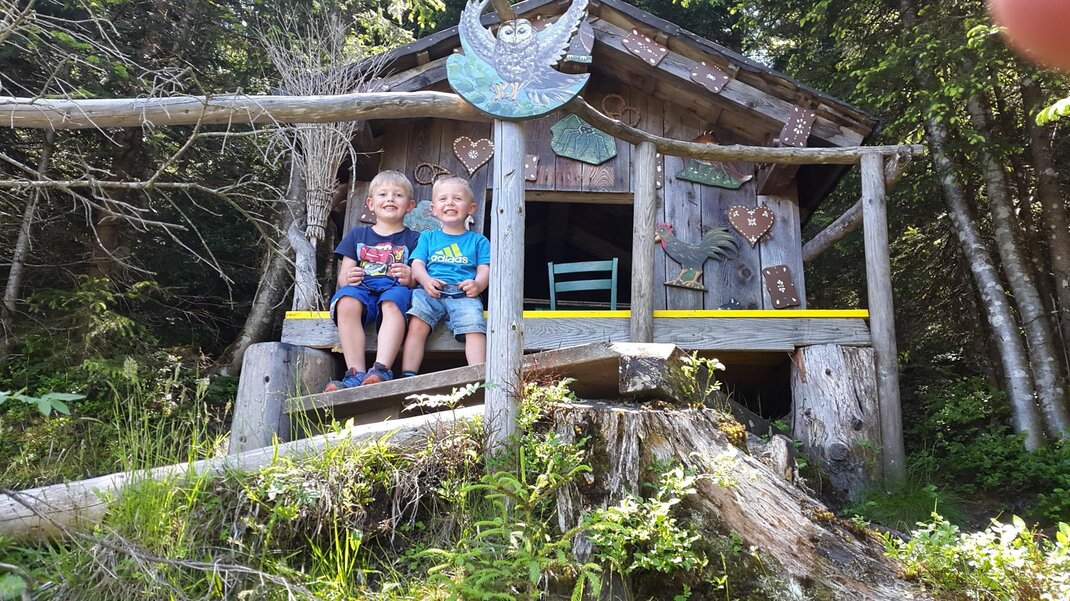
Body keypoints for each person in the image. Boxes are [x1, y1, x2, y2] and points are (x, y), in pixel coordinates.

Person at [324, 170, 420, 391]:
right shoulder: (357, 236)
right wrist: (349, 277)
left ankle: (381, 369)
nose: (390, 199)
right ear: (370, 203)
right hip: (363, 290)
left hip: (394, 290)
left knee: (393, 301)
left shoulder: (415, 239)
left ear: (410, 205)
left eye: (398, 195)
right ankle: (355, 373)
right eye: (383, 194)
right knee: (346, 300)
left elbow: (418, 275)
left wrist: (410, 278)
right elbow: (344, 277)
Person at [402, 176, 490, 375]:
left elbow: (485, 269)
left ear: (471, 208)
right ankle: (407, 374)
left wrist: (478, 285)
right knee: (417, 324)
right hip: (430, 291)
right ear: (434, 209)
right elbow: (417, 264)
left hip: (463, 294)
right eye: (443, 199)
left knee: (475, 327)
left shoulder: (479, 241)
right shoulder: (428, 237)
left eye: (457, 198)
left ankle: (481, 376)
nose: (450, 203)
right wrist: (425, 281)